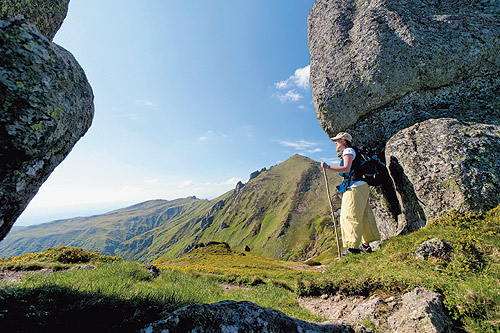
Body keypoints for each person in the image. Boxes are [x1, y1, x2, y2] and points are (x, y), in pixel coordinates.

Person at [321, 132, 380, 256]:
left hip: (355, 186)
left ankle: (352, 248)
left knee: (349, 215)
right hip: (362, 185)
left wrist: (328, 166)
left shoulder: (348, 151)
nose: (335, 142)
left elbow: (346, 168)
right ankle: (366, 245)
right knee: (363, 214)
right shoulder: (354, 151)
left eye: (337, 140)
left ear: (344, 140)